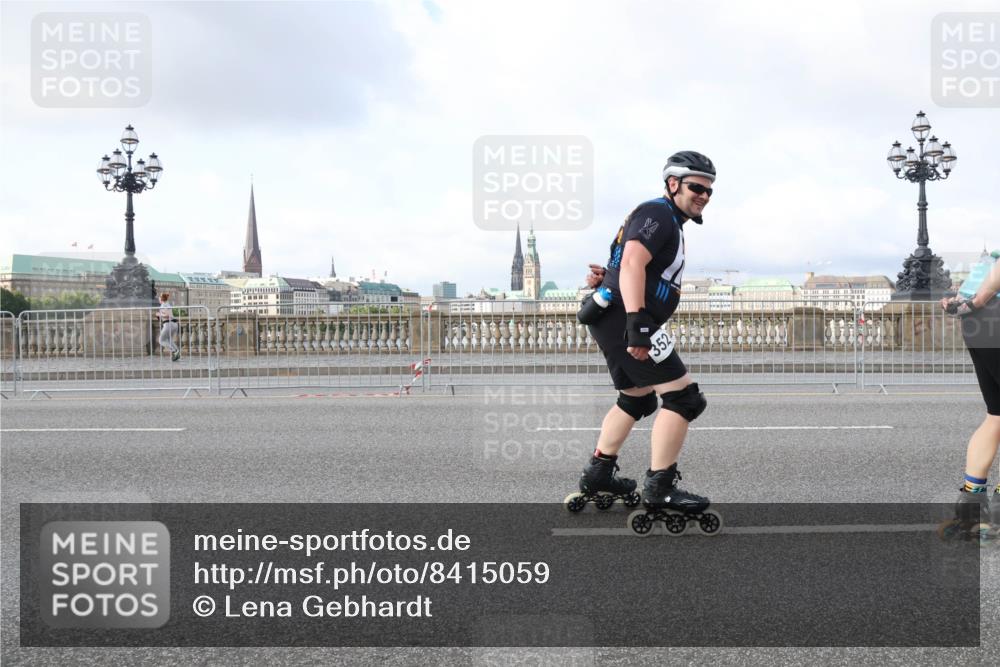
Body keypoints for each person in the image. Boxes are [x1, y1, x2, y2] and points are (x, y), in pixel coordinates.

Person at [569, 151, 716, 518]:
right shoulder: (658, 214)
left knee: (636, 399)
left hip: (613, 316)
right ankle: (660, 488)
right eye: (696, 187)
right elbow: (634, 261)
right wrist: (638, 325)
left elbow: (627, 262)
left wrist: (608, 278)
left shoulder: (664, 218)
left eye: (709, 191)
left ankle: (599, 472)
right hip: (627, 319)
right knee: (683, 399)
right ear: (672, 184)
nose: (704, 195)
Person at [940, 257, 1000, 533]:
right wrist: (976, 300)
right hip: (992, 310)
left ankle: (971, 508)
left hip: (979, 324)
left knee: (996, 416)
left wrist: (964, 300)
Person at [157, 292, 181, 362]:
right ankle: (177, 351)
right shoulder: (167, 304)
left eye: (159, 297)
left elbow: (168, 315)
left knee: (161, 340)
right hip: (173, 324)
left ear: (161, 299)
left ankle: (174, 351)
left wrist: (159, 314)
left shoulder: (164, 305)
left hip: (168, 324)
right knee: (169, 339)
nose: (158, 298)